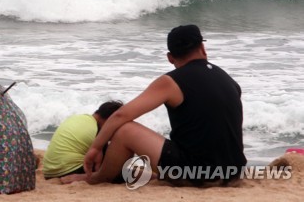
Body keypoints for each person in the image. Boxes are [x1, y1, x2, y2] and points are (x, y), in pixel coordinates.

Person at [61, 24, 246, 186]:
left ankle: (95, 179)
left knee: (125, 129)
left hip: (198, 175)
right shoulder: (229, 80)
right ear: (203, 48)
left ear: (170, 58)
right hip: (234, 172)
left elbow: (120, 115)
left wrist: (95, 148)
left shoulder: (171, 81)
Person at [42, 100, 123, 179]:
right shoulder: (98, 131)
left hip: (49, 172)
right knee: (120, 174)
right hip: (68, 171)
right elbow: (102, 166)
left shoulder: (78, 118)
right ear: (110, 120)